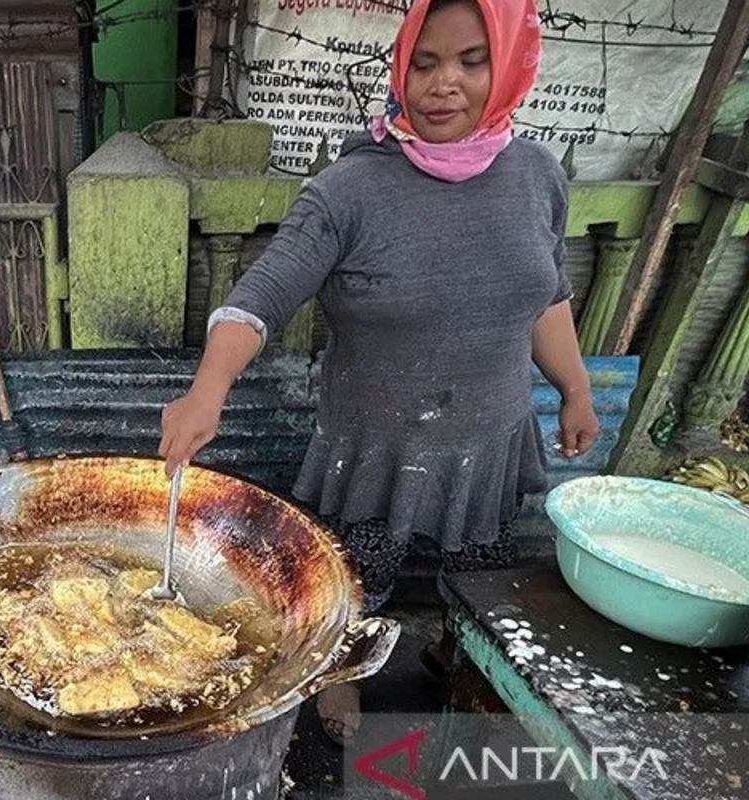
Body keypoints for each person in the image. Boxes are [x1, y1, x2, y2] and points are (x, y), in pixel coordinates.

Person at [157, 0, 600, 744]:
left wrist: (577, 389)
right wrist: (209, 389)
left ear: (513, 64)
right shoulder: (351, 189)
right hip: (372, 446)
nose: (442, 84)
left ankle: (458, 662)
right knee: (356, 587)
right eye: (423, 63)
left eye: (470, 60)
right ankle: (343, 688)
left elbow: (544, 295)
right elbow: (258, 296)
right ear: (400, 68)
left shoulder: (537, 176)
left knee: (481, 582)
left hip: (490, 438)